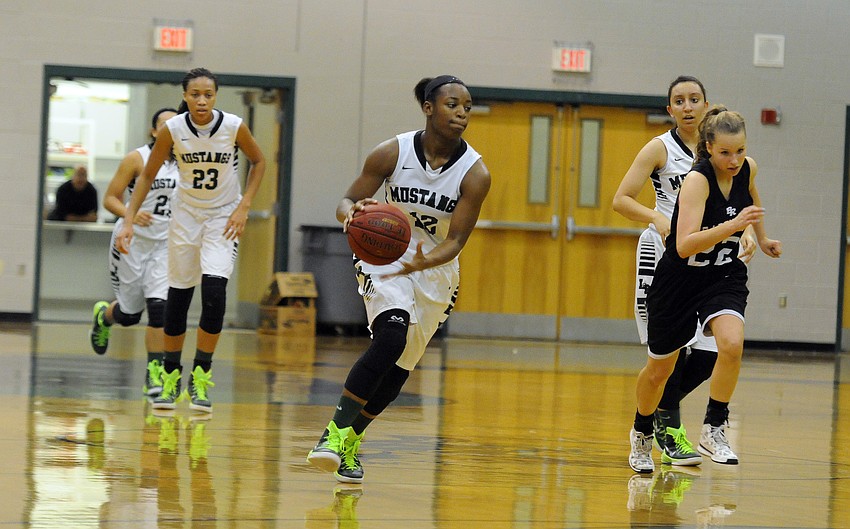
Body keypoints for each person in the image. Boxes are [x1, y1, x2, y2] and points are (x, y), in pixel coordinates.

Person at [306, 75, 491, 484]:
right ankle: (332, 435)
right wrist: (350, 214)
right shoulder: (392, 151)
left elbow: (456, 240)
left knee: (400, 368)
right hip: (386, 256)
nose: (462, 113)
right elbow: (347, 200)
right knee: (390, 336)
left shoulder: (475, 174)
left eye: (467, 106)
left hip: (435, 266)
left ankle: (353, 439)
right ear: (428, 108)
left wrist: (425, 263)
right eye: (452, 104)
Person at [628, 105, 782, 473]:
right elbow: (683, 245)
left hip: (722, 276)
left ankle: (714, 427)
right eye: (726, 152)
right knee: (658, 371)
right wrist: (734, 227)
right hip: (680, 280)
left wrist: (761, 237)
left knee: (731, 343)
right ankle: (641, 432)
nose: (734, 160)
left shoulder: (747, 169)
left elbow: (752, 201)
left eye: (740, 151)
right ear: (709, 147)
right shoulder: (697, 181)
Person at [115, 68, 266, 413]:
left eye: (208, 94)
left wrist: (244, 205)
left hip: (221, 218)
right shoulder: (173, 130)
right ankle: (171, 376)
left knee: (214, 294)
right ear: (185, 96)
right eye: (194, 94)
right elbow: (148, 174)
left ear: (216, 96)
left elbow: (258, 161)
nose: (201, 100)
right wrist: (127, 221)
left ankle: (201, 374)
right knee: (178, 300)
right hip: (185, 219)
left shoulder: (233, 126)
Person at [89, 107, 179, 400]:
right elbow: (109, 198)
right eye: (163, 125)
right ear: (154, 131)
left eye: (174, 125)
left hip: (165, 245)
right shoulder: (136, 159)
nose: (168, 129)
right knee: (128, 315)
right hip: (132, 241)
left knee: (160, 309)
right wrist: (132, 213)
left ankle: (154, 372)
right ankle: (105, 316)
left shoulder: (188, 162)